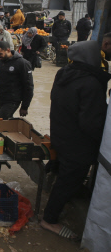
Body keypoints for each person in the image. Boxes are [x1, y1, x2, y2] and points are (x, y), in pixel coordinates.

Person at [41, 41, 111, 241]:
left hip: (60, 133)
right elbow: (91, 121)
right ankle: (49, 219)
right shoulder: (91, 83)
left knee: (65, 174)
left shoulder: (64, 73)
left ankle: (64, 201)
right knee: (69, 179)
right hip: (78, 142)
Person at [0, 41, 34, 119]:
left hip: (13, 100)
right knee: (6, 123)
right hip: (1, 98)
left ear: (8, 50)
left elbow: (29, 86)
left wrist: (25, 106)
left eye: (0, 54)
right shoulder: (1, 62)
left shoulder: (22, 63)